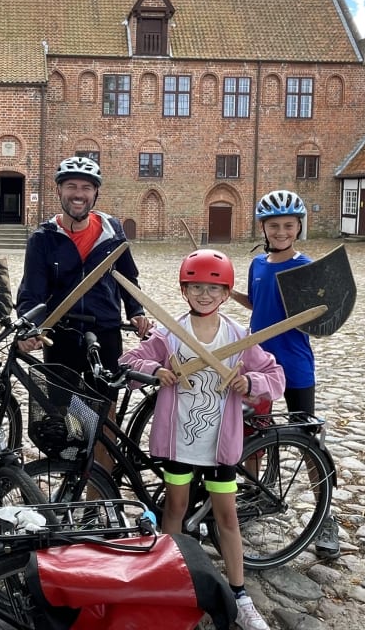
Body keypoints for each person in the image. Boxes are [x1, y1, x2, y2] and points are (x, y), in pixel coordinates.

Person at [118, 249, 284, 630]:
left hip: (219, 445)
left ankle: (239, 594)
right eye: (196, 287)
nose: (204, 294)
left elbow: (275, 376)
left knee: (227, 517)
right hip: (179, 443)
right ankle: (165, 583)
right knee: (174, 509)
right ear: (184, 290)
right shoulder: (169, 334)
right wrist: (156, 369)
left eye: (213, 288)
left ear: (226, 293)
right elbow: (129, 363)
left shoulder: (238, 337)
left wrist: (251, 383)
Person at [16, 157, 152, 465]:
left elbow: (127, 275)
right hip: (60, 335)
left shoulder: (112, 231)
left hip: (103, 333)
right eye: (72, 186)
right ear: (60, 191)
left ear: (95, 194)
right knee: (65, 418)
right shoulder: (43, 239)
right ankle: (71, 483)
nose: (79, 194)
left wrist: (136, 308)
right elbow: (31, 292)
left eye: (86, 188)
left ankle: (99, 493)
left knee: (104, 415)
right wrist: (29, 327)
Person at [228, 189, 341, 559]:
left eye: (287, 226)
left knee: (309, 440)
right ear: (263, 228)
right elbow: (259, 303)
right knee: (252, 433)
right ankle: (256, 490)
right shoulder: (258, 265)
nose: (280, 232)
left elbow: (321, 315)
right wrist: (231, 295)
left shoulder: (305, 268)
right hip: (258, 363)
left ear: (298, 228)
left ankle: (326, 519)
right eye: (274, 226)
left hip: (293, 365)